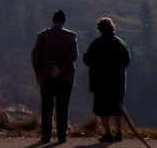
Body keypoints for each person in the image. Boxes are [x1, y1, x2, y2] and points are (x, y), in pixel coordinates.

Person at [31, 9, 78, 144]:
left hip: (46, 76)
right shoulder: (71, 36)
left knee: (47, 107)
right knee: (62, 107)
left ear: (53, 20)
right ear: (64, 21)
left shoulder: (43, 35)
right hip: (65, 78)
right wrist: (60, 69)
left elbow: (35, 56)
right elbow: (73, 56)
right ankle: (61, 136)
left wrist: (38, 73)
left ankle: (45, 136)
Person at [83, 17, 131, 143]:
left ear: (100, 29)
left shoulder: (96, 43)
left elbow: (87, 60)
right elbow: (127, 60)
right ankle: (119, 133)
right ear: (112, 28)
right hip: (118, 80)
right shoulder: (120, 43)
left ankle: (108, 133)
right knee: (117, 107)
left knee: (102, 108)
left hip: (100, 80)